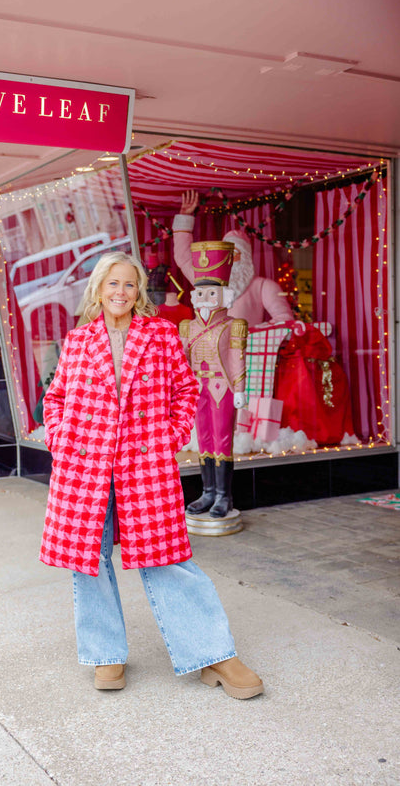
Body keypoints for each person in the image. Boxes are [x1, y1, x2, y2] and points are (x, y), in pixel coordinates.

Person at [39, 251, 263, 698]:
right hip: (85, 465)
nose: (120, 292)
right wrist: (60, 437)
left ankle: (214, 654)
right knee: (90, 561)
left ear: (138, 290)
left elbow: (185, 389)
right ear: (99, 289)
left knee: (169, 560)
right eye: (112, 284)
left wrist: (172, 435)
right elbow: (56, 398)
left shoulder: (160, 334)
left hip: (145, 464)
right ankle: (106, 655)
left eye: (129, 284)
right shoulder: (79, 340)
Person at [179, 241, 247, 518]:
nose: (205, 298)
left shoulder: (234, 325)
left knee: (222, 439)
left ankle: (223, 496)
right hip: (198, 388)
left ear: (224, 296)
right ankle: (207, 492)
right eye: (201, 293)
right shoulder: (187, 326)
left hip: (223, 386)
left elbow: (236, 359)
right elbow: (180, 359)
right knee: (203, 438)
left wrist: (241, 389)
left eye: (211, 293)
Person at [173, 191, 293, 327]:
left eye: (235, 253)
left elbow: (285, 320)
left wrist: (250, 334)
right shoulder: (207, 280)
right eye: (226, 254)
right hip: (206, 348)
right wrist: (184, 217)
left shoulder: (262, 286)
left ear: (246, 257)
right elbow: (182, 256)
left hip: (244, 347)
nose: (230, 258)